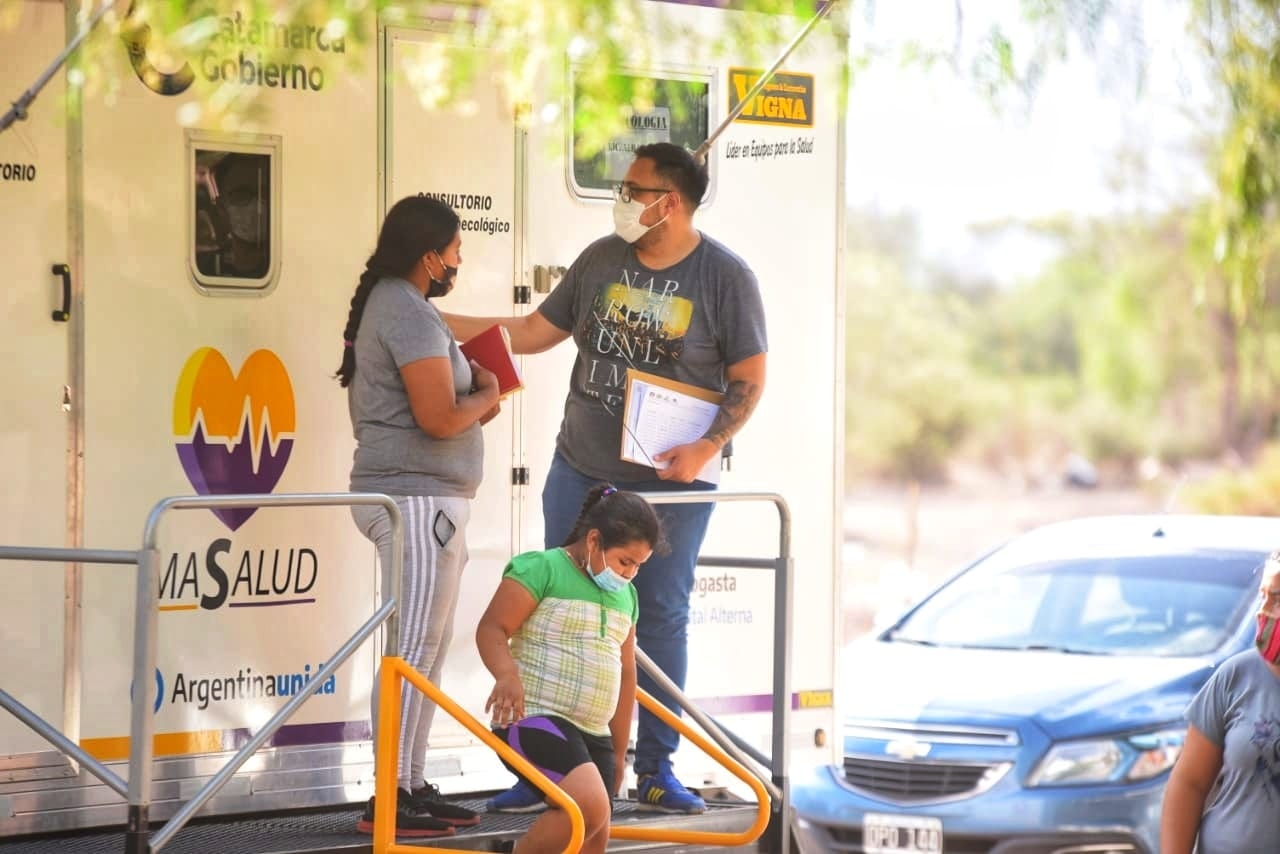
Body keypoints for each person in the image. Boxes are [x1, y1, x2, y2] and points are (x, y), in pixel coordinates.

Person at [442, 141, 766, 814]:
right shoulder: (601, 259)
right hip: (582, 471)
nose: (621, 200)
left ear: (668, 203)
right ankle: (542, 770)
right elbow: (532, 330)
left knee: (660, 619)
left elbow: (749, 378)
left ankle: (655, 769)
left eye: (633, 190)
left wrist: (706, 448)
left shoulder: (725, 277)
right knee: (553, 611)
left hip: (673, 485)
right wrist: (432, 321)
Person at [337, 194, 501, 837]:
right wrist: (487, 394)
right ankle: (389, 795)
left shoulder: (405, 306)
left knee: (424, 652)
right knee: (410, 651)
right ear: (430, 256)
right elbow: (436, 418)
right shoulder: (404, 310)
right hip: (415, 499)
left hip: (427, 500)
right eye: (456, 250)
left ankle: (408, 781)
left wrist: (475, 400)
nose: (460, 261)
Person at [476, 484, 663, 852]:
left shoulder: (627, 596)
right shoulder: (543, 567)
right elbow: (492, 628)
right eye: (625, 561)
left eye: (639, 566)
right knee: (587, 807)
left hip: (595, 732)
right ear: (593, 540)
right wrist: (506, 675)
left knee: (594, 836)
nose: (630, 574)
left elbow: (626, 674)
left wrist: (619, 752)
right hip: (535, 717)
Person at [1159, 551, 1280, 853]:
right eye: (1262, 597)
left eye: (1276, 599)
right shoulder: (1236, 677)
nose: (1264, 611)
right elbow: (1189, 783)